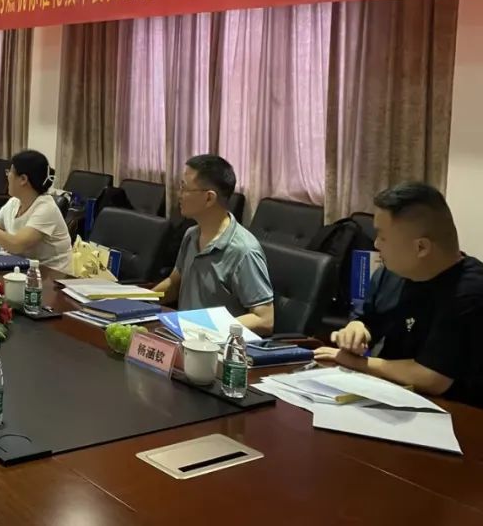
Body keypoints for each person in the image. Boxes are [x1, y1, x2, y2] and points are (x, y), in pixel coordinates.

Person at [315, 183, 483, 407]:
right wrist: (357, 330)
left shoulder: (469, 291)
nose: (376, 244)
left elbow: (433, 378)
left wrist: (358, 363)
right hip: (390, 395)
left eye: (382, 237)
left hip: (452, 412)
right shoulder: (394, 271)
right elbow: (369, 318)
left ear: (421, 248)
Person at [152, 155, 275, 336]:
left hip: (216, 344)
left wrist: (206, 327)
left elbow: (264, 319)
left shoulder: (243, 250)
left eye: (184, 188)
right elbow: (174, 284)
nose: (179, 195)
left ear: (209, 198)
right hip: (184, 336)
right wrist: (139, 302)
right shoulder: (191, 235)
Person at [0, 150, 71, 271]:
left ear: (23, 179)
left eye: (10, 172)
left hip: (51, 276)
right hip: (21, 269)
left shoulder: (46, 208)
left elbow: (17, 245)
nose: (7, 176)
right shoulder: (14, 203)